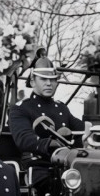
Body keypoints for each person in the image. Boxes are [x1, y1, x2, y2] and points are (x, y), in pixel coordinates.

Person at [8, 52, 85, 185]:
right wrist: (49, 143)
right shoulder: (21, 108)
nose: (49, 83)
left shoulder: (62, 108)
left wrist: (93, 130)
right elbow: (23, 139)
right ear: (32, 81)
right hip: (39, 168)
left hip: (67, 166)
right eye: (43, 79)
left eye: (53, 79)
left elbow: (81, 129)